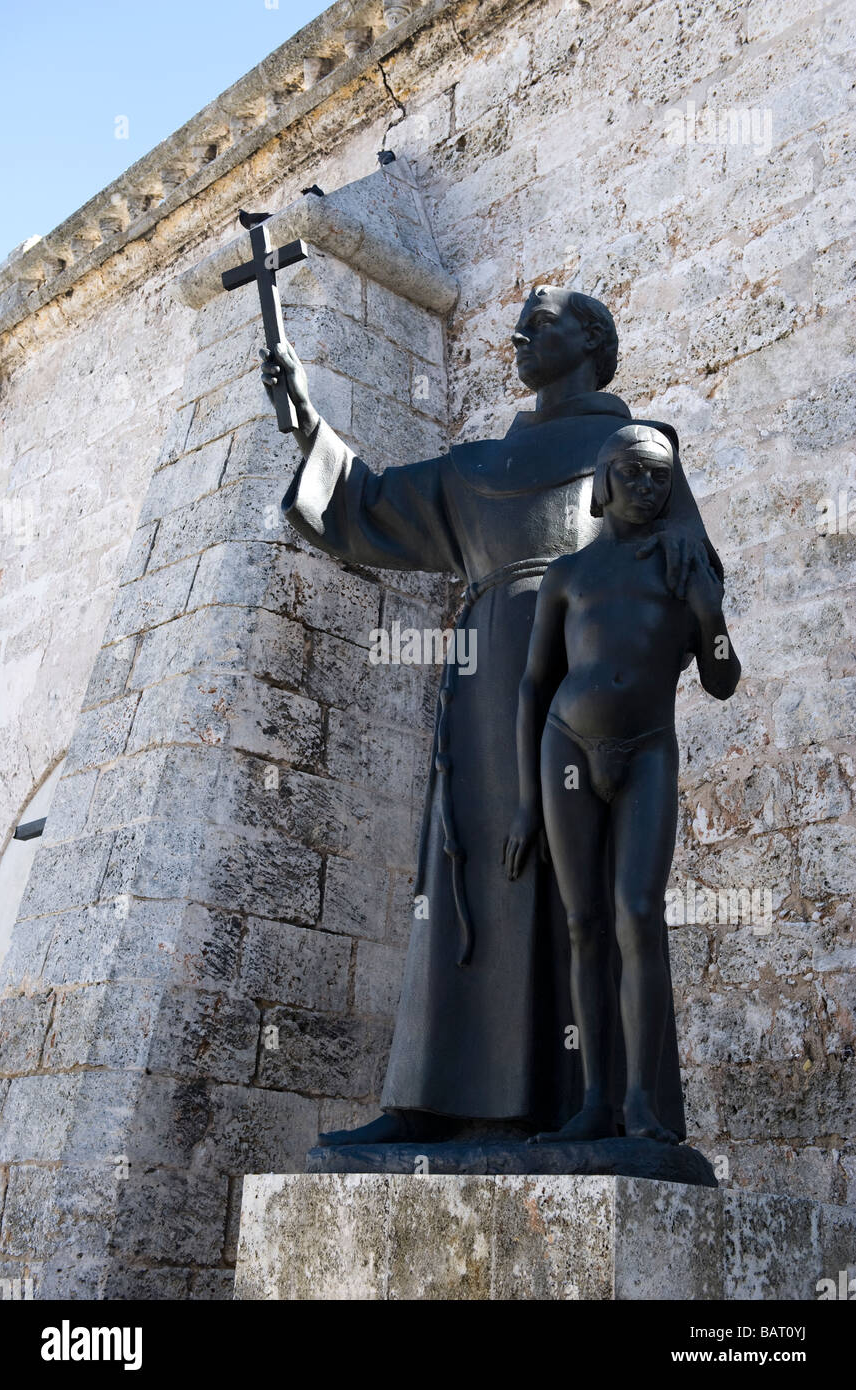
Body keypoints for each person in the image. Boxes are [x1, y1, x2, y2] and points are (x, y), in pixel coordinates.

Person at [261, 287, 721, 1146]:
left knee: (594, 906)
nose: (518, 333)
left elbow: (692, 581)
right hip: (482, 697)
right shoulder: (473, 466)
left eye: (541, 321)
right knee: (467, 876)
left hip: (586, 692)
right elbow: (364, 503)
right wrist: (303, 420)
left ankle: (601, 1108)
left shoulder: (637, 453)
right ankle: (432, 1101)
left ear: (592, 340)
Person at [503, 425, 740, 1144]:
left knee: (637, 913)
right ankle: (593, 1099)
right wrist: (523, 804)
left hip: (645, 751)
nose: (645, 488)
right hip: (564, 746)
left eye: (658, 478)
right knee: (583, 925)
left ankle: (642, 1101)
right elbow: (532, 685)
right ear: (603, 481)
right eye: (632, 474)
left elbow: (722, 678)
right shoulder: (568, 574)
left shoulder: (684, 562)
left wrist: (708, 611)